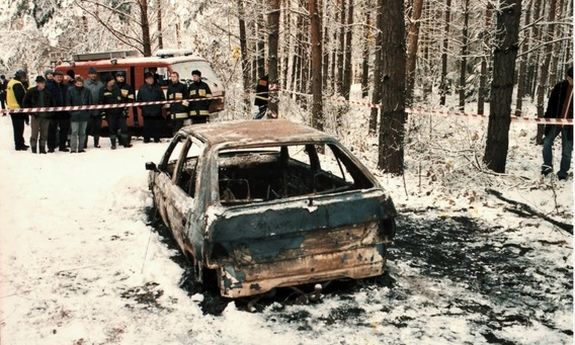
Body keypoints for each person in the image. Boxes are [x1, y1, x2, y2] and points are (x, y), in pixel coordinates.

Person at [542, 67, 573, 180]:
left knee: (567, 149)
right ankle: (547, 166)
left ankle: (563, 173)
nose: (570, 80)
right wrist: (547, 118)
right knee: (546, 142)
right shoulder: (559, 87)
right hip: (555, 121)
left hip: (570, 126)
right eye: (569, 78)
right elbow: (551, 103)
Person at [24, 76, 54, 154]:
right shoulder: (31, 91)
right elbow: (25, 103)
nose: (42, 84)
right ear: (37, 83)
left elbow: (53, 104)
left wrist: (50, 113)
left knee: (44, 134)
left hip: (46, 117)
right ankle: (34, 149)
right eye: (40, 83)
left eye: (43, 83)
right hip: (35, 116)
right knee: (34, 134)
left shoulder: (48, 92)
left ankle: (42, 149)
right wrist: (31, 112)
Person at [100, 75, 130, 149]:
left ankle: (125, 143)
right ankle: (113, 144)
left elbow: (122, 100)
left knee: (124, 128)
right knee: (112, 129)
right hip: (110, 114)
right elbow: (101, 102)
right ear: (107, 82)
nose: (113, 81)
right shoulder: (103, 90)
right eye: (111, 80)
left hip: (120, 112)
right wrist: (103, 113)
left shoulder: (117, 88)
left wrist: (124, 110)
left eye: (113, 80)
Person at [137, 72, 166, 142]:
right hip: (146, 113)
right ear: (146, 80)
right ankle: (146, 139)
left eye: (152, 78)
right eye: (149, 79)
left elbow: (162, 99)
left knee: (157, 127)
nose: (151, 80)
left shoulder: (158, 88)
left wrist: (158, 107)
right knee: (147, 127)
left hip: (157, 112)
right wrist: (144, 108)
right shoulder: (142, 88)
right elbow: (139, 100)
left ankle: (157, 139)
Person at [66, 76, 92, 153]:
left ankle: (81, 148)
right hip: (74, 115)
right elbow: (68, 102)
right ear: (75, 83)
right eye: (78, 83)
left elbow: (90, 102)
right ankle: (73, 149)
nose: (79, 84)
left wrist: (88, 112)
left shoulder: (87, 91)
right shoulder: (70, 90)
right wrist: (71, 112)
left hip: (84, 115)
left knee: (83, 132)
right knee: (74, 132)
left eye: (81, 83)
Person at [47, 70, 70, 152]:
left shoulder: (65, 86)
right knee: (52, 130)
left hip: (64, 112)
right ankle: (51, 147)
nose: (59, 78)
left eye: (61, 77)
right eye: (57, 77)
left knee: (64, 130)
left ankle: (62, 146)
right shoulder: (49, 86)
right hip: (53, 112)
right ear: (53, 77)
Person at [6, 70, 29, 151]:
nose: (25, 79)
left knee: (17, 128)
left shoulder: (11, 82)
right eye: (24, 77)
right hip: (18, 109)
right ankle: (19, 145)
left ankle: (20, 143)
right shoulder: (17, 84)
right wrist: (25, 111)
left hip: (12, 108)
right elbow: (21, 98)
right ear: (20, 76)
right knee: (19, 128)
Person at [85, 67, 104, 148]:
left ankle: (96, 143)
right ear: (88, 74)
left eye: (94, 74)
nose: (93, 75)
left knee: (97, 127)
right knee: (86, 128)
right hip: (87, 110)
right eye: (91, 73)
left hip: (98, 110)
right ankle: (84, 143)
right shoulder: (84, 83)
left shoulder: (100, 84)